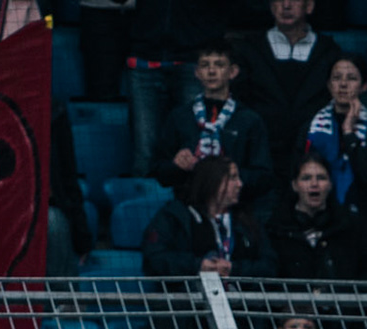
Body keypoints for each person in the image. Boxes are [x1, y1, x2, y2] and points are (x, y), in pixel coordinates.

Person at [233, 0, 341, 187]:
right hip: (260, 160)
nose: (286, 5)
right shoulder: (248, 50)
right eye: (279, 0)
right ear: (270, 6)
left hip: (313, 160)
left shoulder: (330, 52)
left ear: (310, 6)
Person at [151, 40, 274, 203]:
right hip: (189, 206)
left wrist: (230, 174)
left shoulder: (249, 120)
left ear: (233, 72)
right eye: (205, 65)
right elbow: (159, 171)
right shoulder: (180, 117)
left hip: (235, 210)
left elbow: (264, 177)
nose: (211, 71)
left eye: (219, 65)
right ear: (197, 72)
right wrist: (176, 166)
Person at [125, 0, 225, 182]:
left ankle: (193, 208)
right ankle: (143, 208)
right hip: (145, 59)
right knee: (145, 152)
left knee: (196, 147)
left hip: (194, 59)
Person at [302, 52, 367, 245]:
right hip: (317, 214)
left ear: (364, 86)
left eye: (351, 78)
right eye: (337, 78)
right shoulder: (311, 126)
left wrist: (349, 133)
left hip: (361, 216)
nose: (343, 85)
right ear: (329, 85)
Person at [140, 155, 276, 281]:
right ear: (213, 181)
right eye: (233, 178)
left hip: (241, 301)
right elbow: (154, 258)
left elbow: (270, 265)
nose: (240, 184)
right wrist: (198, 266)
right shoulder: (175, 216)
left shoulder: (246, 219)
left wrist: (234, 268)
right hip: (191, 300)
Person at [266, 153, 367, 282]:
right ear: (294, 185)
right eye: (306, 178)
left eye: (321, 178)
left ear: (330, 184)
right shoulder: (276, 229)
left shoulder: (352, 226)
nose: (314, 184)